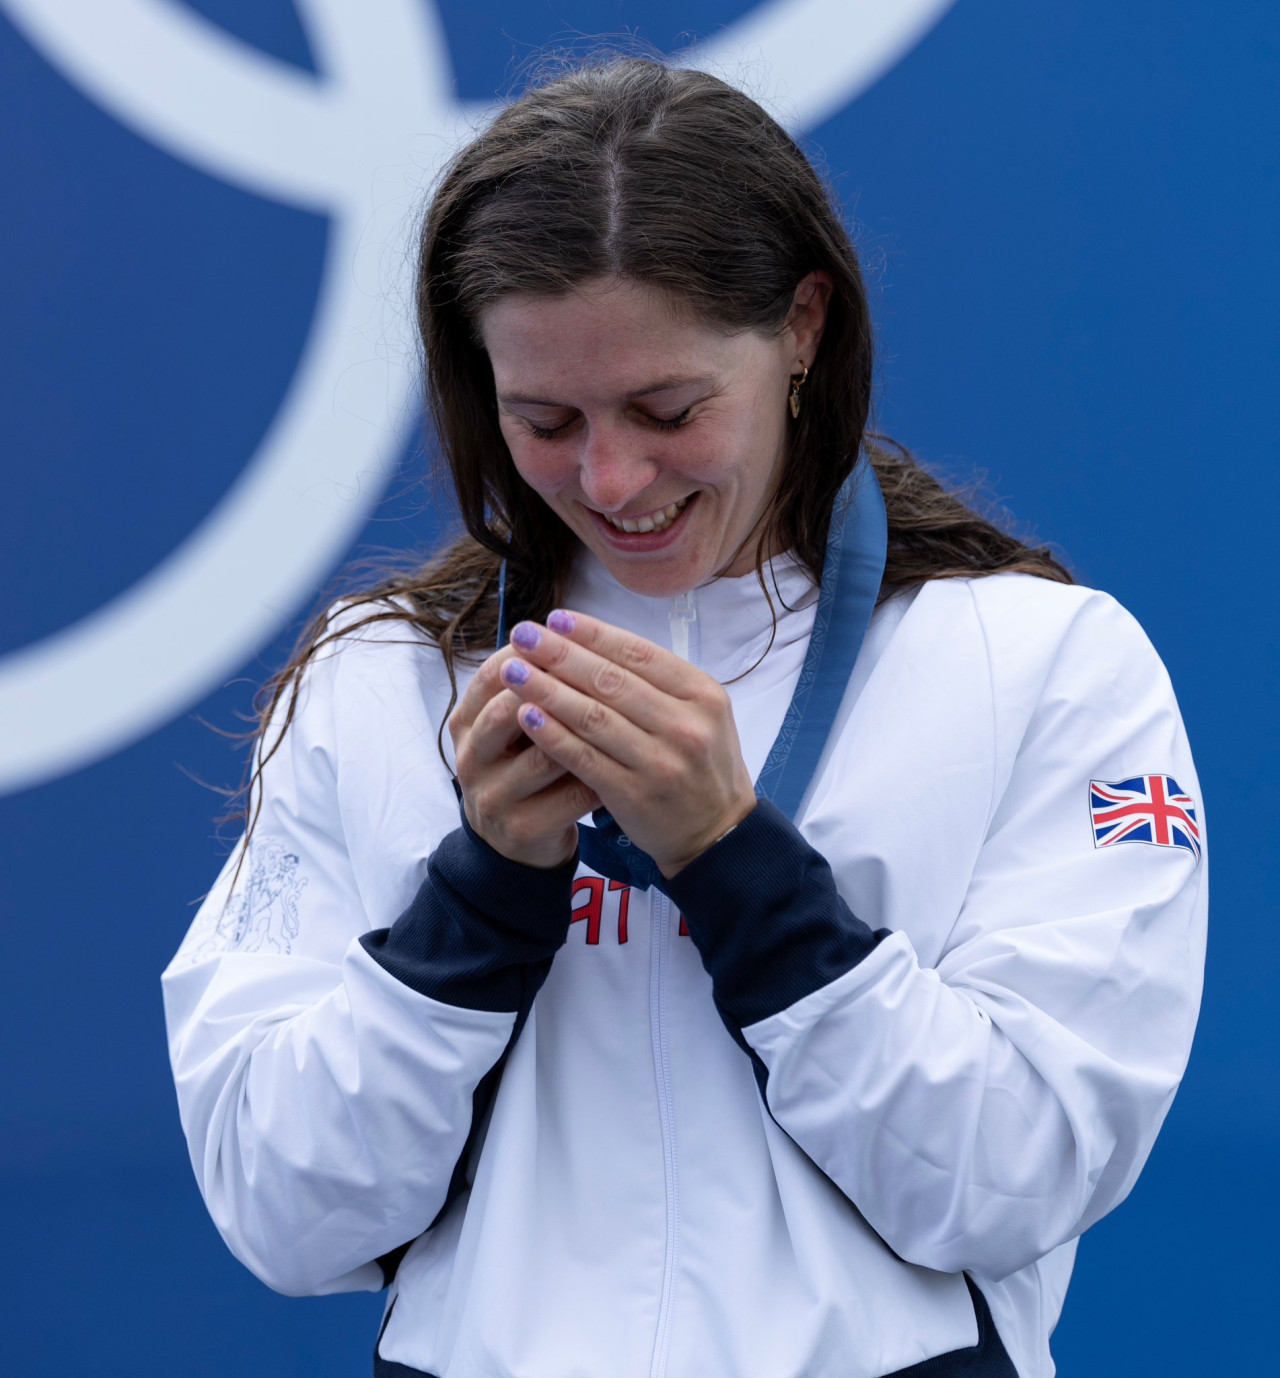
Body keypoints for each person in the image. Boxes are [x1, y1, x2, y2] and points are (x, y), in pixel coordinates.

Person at [163, 58, 1207, 1378]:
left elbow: (1020, 1170)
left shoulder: (1042, 660)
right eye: (543, 418)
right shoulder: (380, 675)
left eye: (668, 410)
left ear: (804, 328)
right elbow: (283, 1208)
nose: (610, 477)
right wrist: (476, 899)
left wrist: (738, 863)